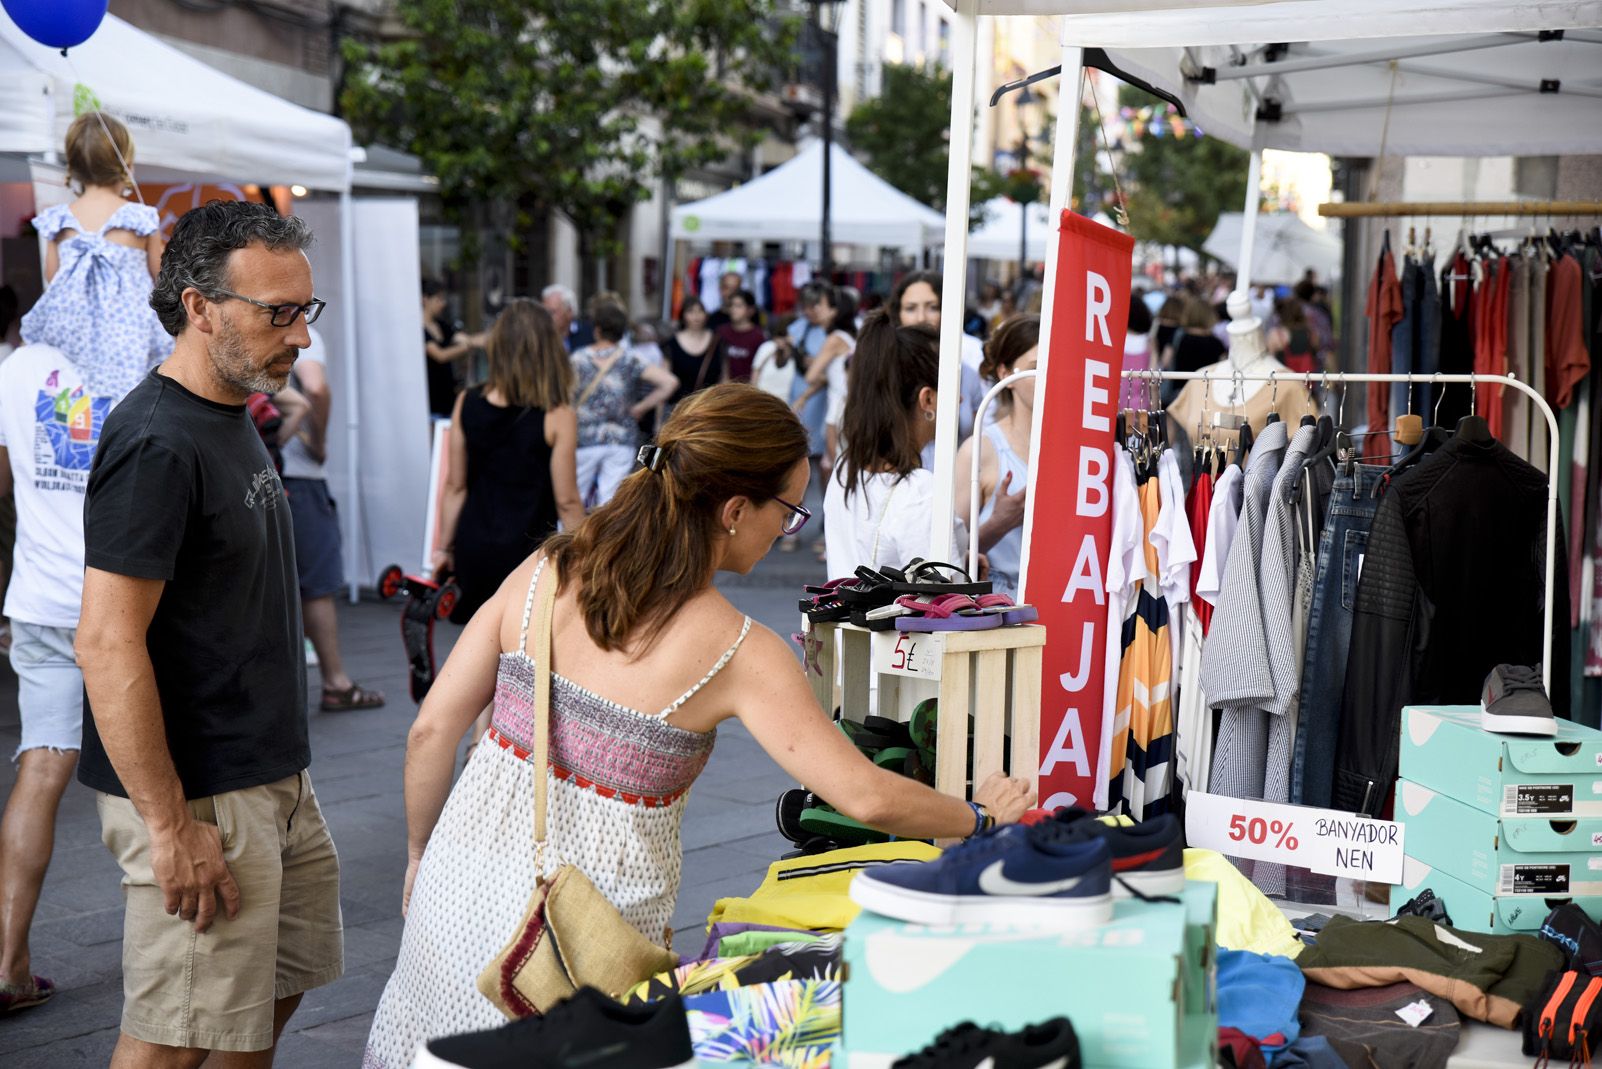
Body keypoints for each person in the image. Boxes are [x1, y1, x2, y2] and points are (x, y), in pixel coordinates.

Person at [364, 384, 1031, 1067]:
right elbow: (865, 795)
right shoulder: (740, 650)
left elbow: (431, 730)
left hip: (450, 896)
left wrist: (418, 855)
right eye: (788, 510)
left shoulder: (545, 569)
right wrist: (980, 814)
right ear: (735, 510)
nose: (787, 529)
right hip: (577, 945)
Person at [75, 200, 343, 1065]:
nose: (301, 334)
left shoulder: (229, 410)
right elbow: (106, 642)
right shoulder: (156, 441)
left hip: (270, 775)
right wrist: (169, 827)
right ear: (199, 307)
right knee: (173, 1039)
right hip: (201, 793)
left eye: (306, 308)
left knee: (259, 1004)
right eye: (278, 312)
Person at [433, 298, 587, 625]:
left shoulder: (467, 401)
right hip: (528, 556)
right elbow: (567, 501)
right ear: (548, 350)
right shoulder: (558, 414)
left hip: (474, 546)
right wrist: (586, 558)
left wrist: (444, 549)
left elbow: (455, 486)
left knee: (478, 641)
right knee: (522, 643)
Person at [20, 111, 172, 402]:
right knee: (131, 403)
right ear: (125, 163)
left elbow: (52, 277)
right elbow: (161, 276)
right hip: (129, 336)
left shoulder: (59, 219)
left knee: (74, 401)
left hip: (73, 333)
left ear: (74, 167)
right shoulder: (139, 217)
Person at [277, 325, 385, 712]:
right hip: (298, 476)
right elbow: (316, 388)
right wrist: (318, 443)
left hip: (253, 466)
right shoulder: (299, 329)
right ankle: (335, 681)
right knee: (317, 581)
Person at [824, 313, 964, 577]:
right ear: (927, 399)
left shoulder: (847, 468)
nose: (960, 399)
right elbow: (943, 593)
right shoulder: (918, 490)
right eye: (954, 389)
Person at [954, 315, 1039, 601]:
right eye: (1036, 367)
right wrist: (998, 524)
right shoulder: (980, 450)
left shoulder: (1083, 448)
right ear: (1006, 373)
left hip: (1065, 604)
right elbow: (947, 556)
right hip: (1000, 608)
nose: (1048, 377)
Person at [570, 302, 679, 509]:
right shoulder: (630, 358)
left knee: (575, 498)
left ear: (597, 330)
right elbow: (669, 382)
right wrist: (640, 407)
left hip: (583, 438)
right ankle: (606, 531)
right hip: (621, 438)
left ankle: (573, 531)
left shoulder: (578, 359)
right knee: (610, 502)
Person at [888, 271, 987, 460]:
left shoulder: (966, 374)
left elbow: (979, 437)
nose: (921, 317)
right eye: (910, 308)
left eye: (932, 307)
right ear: (897, 313)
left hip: (957, 475)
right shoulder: (883, 370)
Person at [423, 279, 486, 420]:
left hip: (447, 400)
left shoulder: (441, 325)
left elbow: (464, 338)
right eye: (439, 299)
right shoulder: (419, 330)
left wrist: (482, 339)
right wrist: (469, 345)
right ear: (425, 299)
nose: (443, 303)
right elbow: (440, 355)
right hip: (430, 402)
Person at [662, 296, 725, 408]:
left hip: (709, 407)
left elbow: (724, 378)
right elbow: (664, 381)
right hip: (678, 408)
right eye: (690, 311)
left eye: (700, 311)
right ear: (683, 315)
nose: (696, 316)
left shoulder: (717, 342)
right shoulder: (671, 345)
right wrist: (659, 415)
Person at [715, 288, 766, 383]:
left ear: (750, 310)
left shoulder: (758, 336)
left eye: (739, 306)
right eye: (731, 305)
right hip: (724, 388)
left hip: (748, 388)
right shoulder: (721, 332)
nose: (733, 309)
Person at [751, 316, 798, 405]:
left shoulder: (798, 356)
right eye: (780, 335)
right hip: (760, 404)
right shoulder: (767, 347)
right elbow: (754, 378)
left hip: (785, 407)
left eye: (784, 335)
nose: (780, 339)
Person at [541, 283, 593, 353]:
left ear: (569, 312)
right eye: (544, 312)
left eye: (552, 312)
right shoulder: (540, 336)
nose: (546, 317)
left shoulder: (589, 333)